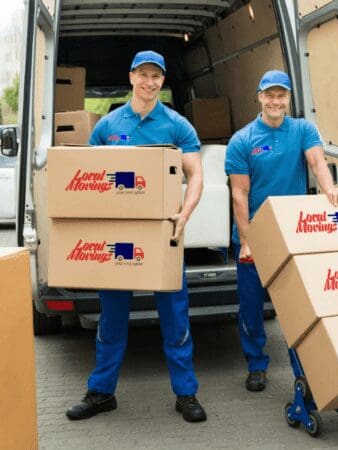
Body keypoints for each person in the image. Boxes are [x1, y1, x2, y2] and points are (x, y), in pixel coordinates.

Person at [66, 50, 207, 423]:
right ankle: (101, 393)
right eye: (144, 75)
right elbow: (90, 182)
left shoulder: (177, 126)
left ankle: (186, 394)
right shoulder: (107, 127)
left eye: (156, 76)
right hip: (119, 238)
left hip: (163, 237)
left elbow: (196, 174)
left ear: (162, 81)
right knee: (111, 320)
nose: (150, 82)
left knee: (175, 320)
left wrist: (185, 212)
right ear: (131, 77)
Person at [225, 70, 338, 392]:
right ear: (259, 96)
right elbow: (240, 194)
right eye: (269, 95)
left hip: (293, 233)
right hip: (256, 236)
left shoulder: (303, 129)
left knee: (297, 308)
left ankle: (303, 371)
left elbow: (317, 162)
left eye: (281, 95)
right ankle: (257, 366)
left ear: (288, 98)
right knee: (251, 309)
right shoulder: (243, 140)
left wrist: (329, 188)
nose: (275, 101)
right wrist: (247, 241)